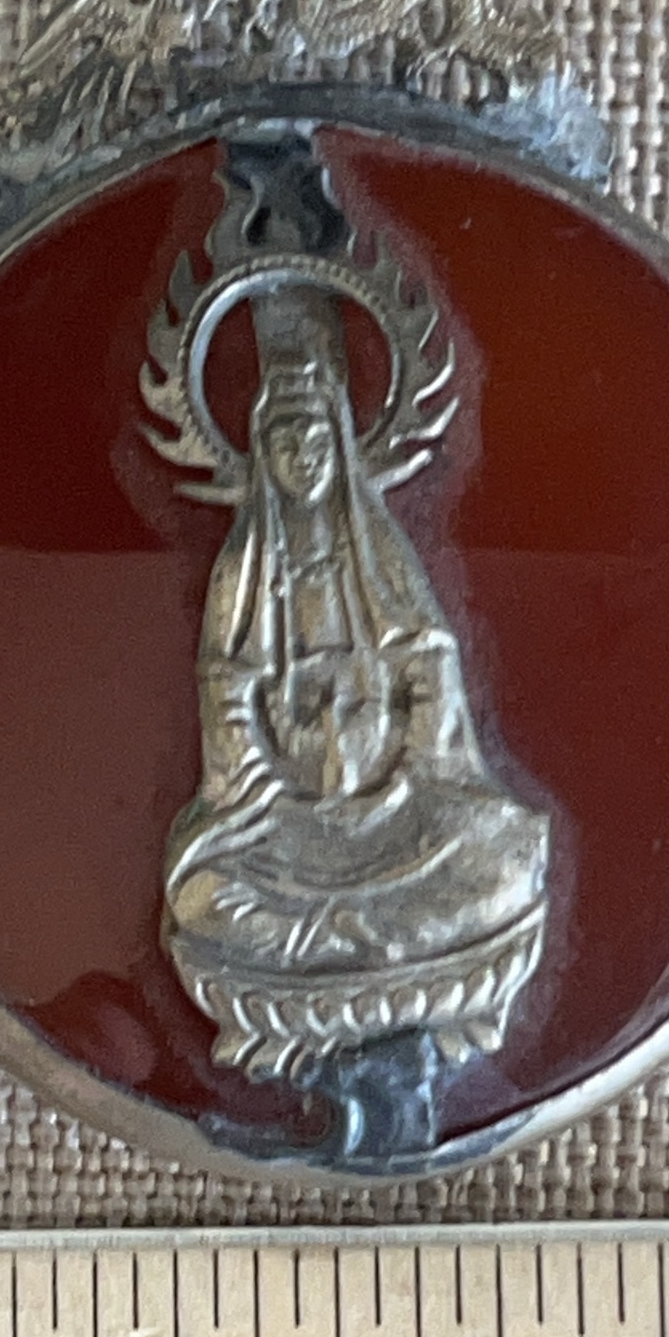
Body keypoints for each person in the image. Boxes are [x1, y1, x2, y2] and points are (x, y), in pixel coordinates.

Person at [163, 305, 549, 1140]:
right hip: (283, 832)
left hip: (404, 816)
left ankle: (339, 962)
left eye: (315, 437)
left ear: (341, 443)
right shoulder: (243, 572)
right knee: (201, 900)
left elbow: (430, 671)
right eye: (283, 441)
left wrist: (403, 772)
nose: (301, 457)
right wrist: (279, 787)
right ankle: (379, 955)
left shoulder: (379, 554)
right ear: (260, 452)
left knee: (505, 864)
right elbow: (227, 716)